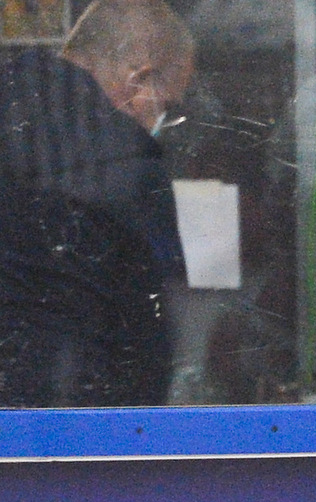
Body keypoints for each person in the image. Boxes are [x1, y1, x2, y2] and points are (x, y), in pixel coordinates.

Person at [0, 0, 193, 407]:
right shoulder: (130, 162)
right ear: (139, 82)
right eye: (170, 107)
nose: (167, 122)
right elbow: (149, 337)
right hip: (73, 427)